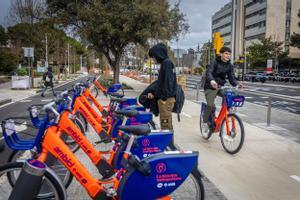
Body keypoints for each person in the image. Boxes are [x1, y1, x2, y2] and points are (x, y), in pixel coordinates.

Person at [203, 46, 242, 128]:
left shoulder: (230, 66)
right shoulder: (214, 62)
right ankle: (205, 121)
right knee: (210, 105)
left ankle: (226, 114)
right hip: (210, 86)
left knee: (230, 97)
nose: (228, 56)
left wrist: (237, 84)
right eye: (226, 54)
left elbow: (232, 78)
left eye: (229, 54)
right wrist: (212, 81)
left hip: (220, 86)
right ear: (221, 54)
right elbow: (209, 73)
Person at [147, 43, 177, 131]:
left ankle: (168, 144)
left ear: (158, 55)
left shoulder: (166, 63)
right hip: (167, 99)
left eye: (153, 57)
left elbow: (168, 83)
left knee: (166, 125)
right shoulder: (166, 63)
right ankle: (168, 143)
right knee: (166, 124)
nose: (153, 59)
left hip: (166, 100)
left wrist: (163, 98)